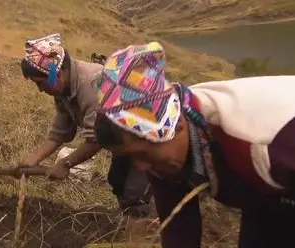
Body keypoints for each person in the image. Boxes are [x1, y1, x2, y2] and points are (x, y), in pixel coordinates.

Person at [92, 41, 295, 248]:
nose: (141, 167)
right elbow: (179, 231)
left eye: (143, 155)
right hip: (266, 201)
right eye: (131, 158)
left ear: (177, 124)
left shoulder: (259, 142)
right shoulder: (162, 151)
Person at [18, 33, 154, 234]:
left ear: (58, 73)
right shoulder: (62, 90)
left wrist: (66, 164)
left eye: (40, 83)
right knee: (117, 180)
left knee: (136, 193)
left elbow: (95, 140)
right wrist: (34, 159)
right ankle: (130, 222)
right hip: (123, 141)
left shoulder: (92, 84)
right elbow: (60, 131)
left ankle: (146, 232)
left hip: (147, 139)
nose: (39, 90)